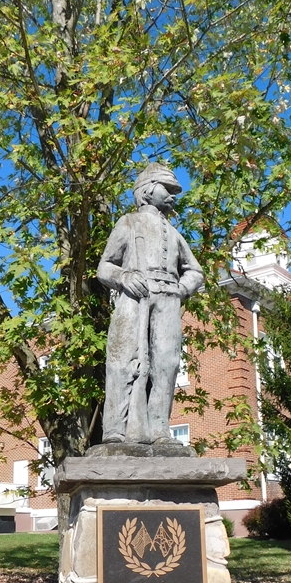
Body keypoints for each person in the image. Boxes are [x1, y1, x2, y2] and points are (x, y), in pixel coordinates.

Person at [97, 163, 204, 445]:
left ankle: (159, 428)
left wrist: (181, 289)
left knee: (166, 364)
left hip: (168, 299)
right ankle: (115, 430)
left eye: (174, 191)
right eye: (166, 188)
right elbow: (104, 267)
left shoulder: (175, 234)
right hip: (134, 296)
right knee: (122, 361)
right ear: (146, 191)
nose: (172, 195)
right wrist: (124, 276)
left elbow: (195, 271)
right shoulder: (128, 223)